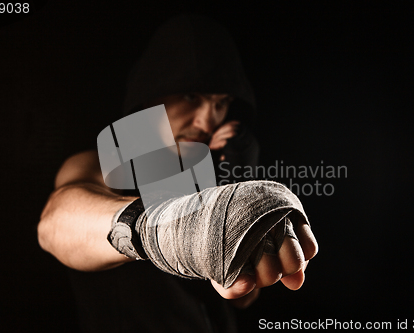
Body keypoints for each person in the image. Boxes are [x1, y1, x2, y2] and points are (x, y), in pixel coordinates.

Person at [37, 14, 318, 332]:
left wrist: (236, 188)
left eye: (221, 103)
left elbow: (240, 296)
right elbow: (54, 224)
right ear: (150, 97)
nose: (207, 121)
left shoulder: (211, 173)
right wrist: (173, 229)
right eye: (191, 97)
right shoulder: (101, 161)